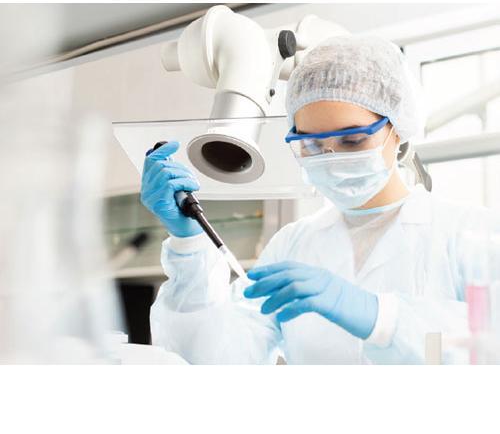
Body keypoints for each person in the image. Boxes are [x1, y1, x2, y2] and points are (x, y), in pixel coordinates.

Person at [142, 35, 482, 364]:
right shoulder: (292, 245)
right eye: (312, 145)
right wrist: (188, 244)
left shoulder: (468, 234)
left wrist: (380, 317)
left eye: (352, 140)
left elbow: (487, 347)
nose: (331, 158)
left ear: (398, 129)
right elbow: (216, 361)